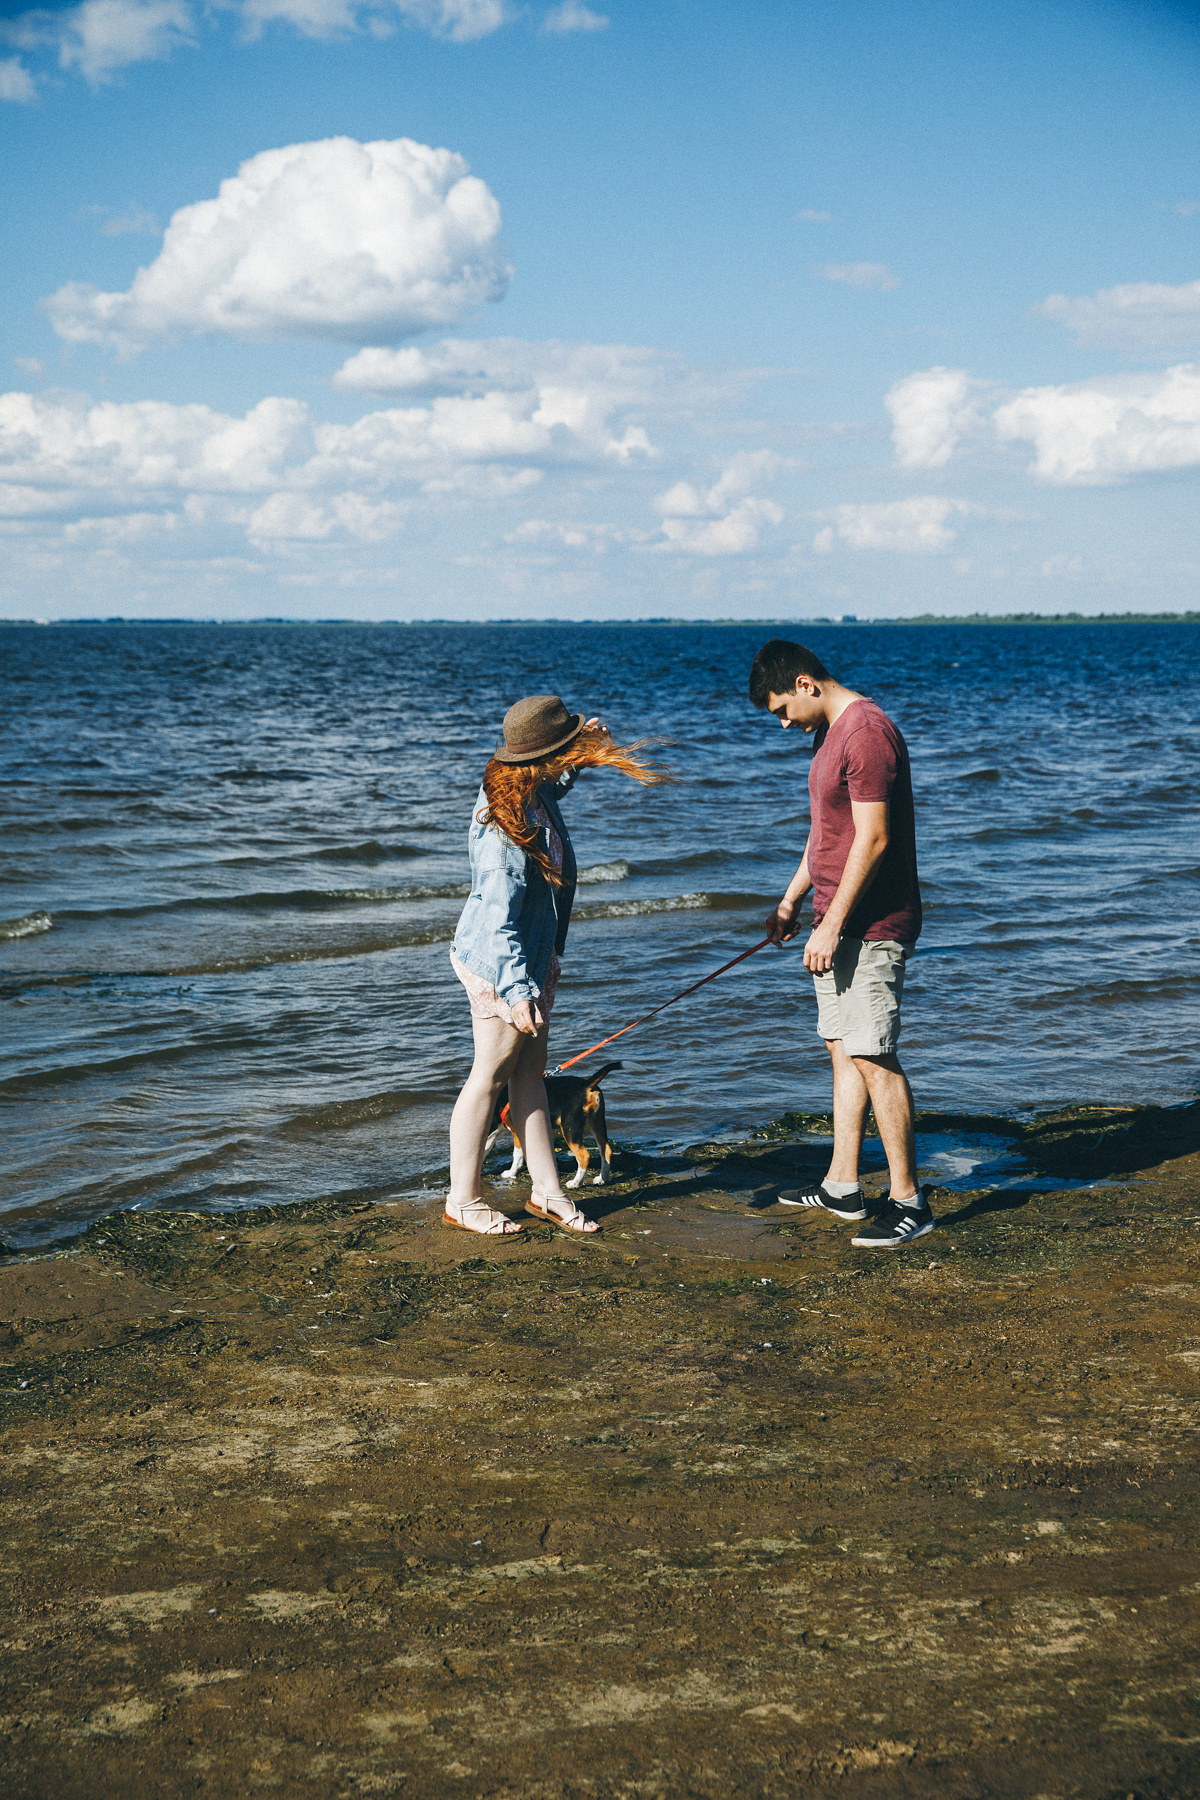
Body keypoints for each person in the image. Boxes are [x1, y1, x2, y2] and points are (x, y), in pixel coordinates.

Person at [445, 694, 670, 1237]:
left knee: (530, 1075)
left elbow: (548, 786)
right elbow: (498, 921)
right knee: (490, 1075)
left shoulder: (526, 784)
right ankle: (464, 1198)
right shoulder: (504, 823)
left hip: (533, 954)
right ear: (539, 756)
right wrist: (518, 990)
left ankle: (547, 1191)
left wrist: (575, 756)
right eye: (564, 749)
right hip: (504, 963)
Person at [748, 638, 934, 1249]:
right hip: (834, 918)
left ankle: (910, 1200)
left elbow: (874, 839)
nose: (781, 723)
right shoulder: (827, 735)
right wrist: (791, 901)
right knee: (844, 1050)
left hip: (872, 925)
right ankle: (842, 1185)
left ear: (805, 683)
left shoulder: (866, 733)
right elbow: (826, 832)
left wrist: (832, 926)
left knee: (875, 1057)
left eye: (780, 709)